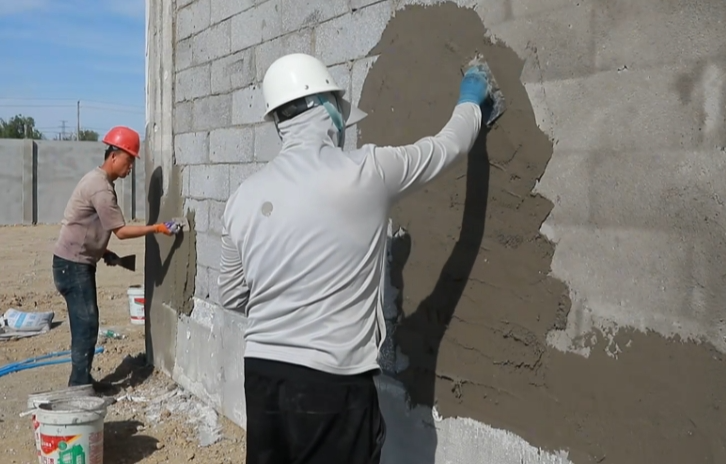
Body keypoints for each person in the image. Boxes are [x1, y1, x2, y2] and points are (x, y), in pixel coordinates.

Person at [218, 53, 490, 464]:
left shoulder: (243, 197)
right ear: (325, 108)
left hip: (262, 376)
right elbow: (447, 147)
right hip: (332, 385)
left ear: (278, 120)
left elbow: (232, 296)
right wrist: (471, 99)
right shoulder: (368, 171)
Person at [52, 126, 183, 391]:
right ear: (114, 156)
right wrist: (158, 228)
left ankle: (82, 380)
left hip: (74, 262)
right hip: (73, 266)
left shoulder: (98, 181)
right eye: (129, 159)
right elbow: (121, 232)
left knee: (85, 323)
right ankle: (79, 386)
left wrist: (103, 251)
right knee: (86, 324)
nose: (131, 166)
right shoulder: (100, 188)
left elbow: (86, 225)